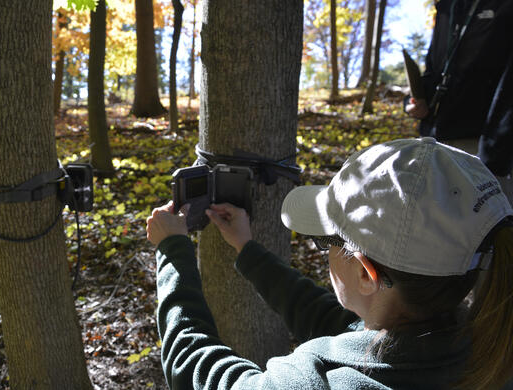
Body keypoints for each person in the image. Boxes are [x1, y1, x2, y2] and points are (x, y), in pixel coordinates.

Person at [146, 138, 513, 389]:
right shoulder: (485, 349)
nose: (322, 249)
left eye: (326, 241)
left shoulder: (317, 380)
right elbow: (340, 325)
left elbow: (196, 370)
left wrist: (173, 251)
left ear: (366, 274)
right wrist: (246, 248)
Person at [405, 0, 513, 204]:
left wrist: (495, 155)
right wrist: (413, 103)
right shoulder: (447, 8)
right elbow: (433, 72)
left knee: (490, 229)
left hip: (484, 148)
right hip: (435, 142)